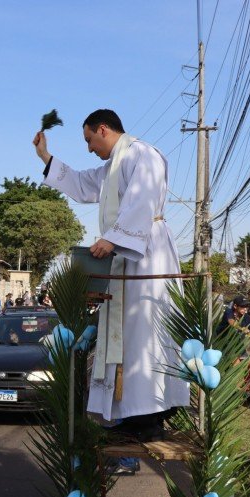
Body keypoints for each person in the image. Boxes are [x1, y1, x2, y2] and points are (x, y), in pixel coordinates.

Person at [34, 109, 189, 429]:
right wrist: (45, 156)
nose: (89, 148)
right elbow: (81, 184)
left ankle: (153, 411)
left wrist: (114, 239)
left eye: (90, 140)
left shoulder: (142, 155)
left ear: (103, 129)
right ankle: (129, 410)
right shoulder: (112, 167)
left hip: (147, 251)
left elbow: (142, 200)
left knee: (145, 329)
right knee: (126, 334)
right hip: (123, 254)